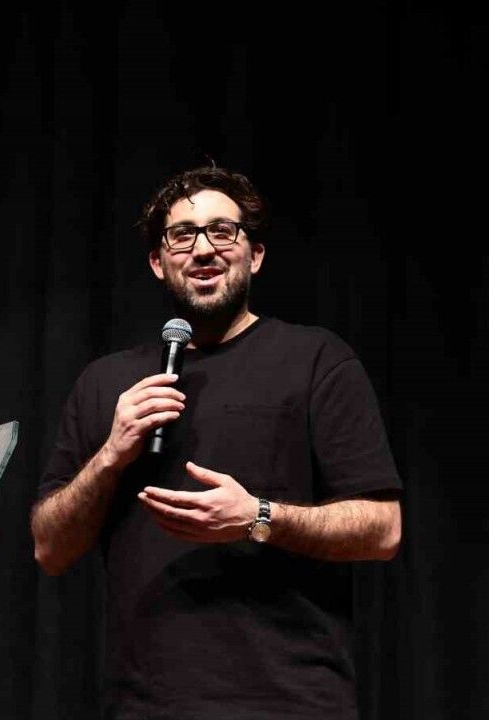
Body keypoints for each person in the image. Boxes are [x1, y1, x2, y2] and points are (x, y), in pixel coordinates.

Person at [31, 164, 402, 719]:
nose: (203, 249)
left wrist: (258, 517)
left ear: (255, 255)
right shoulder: (106, 383)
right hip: (145, 705)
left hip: (289, 702)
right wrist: (111, 455)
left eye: (222, 231)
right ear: (158, 262)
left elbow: (383, 529)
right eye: (182, 235)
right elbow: (50, 549)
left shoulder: (316, 361)